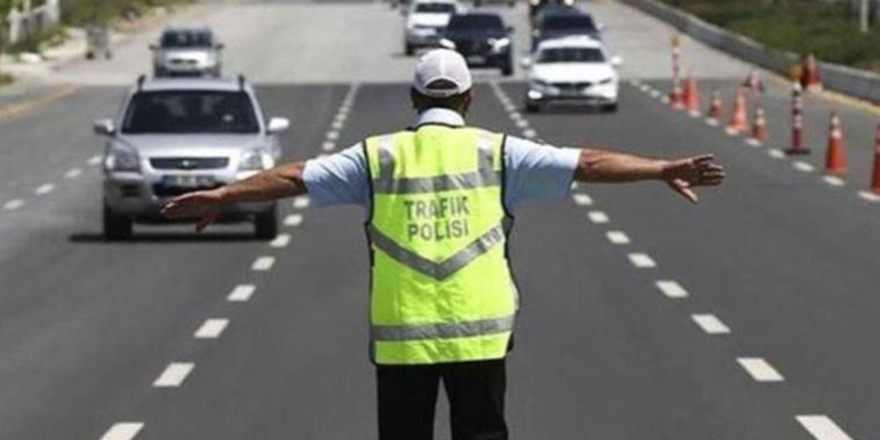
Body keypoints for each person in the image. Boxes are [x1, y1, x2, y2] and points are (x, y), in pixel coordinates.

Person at [161, 49, 725, 440]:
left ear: (412, 97)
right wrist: (659, 168)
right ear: (470, 98)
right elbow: (588, 162)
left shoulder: (376, 157)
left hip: (402, 338)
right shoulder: (500, 152)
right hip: (480, 333)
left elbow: (293, 177)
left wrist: (225, 195)